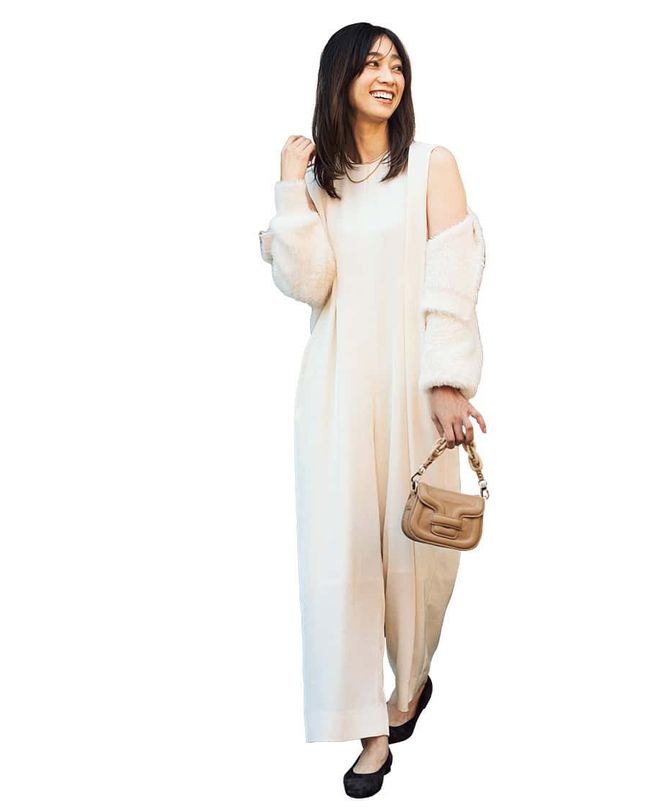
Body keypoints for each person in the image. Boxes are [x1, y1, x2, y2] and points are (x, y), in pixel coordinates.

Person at [258, 23, 487, 798]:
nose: (387, 76)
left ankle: (411, 682)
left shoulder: (430, 166)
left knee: (420, 553)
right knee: (343, 559)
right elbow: (309, 283)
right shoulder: (318, 183)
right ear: (342, 78)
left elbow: (452, 272)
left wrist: (448, 378)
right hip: (335, 391)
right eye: (371, 64)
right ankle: (369, 732)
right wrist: (289, 190)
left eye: (396, 64)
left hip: (414, 386)